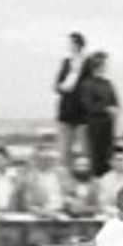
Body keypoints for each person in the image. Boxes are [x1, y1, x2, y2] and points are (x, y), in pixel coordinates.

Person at [79, 50, 119, 177]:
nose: (106, 67)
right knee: (96, 157)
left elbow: (115, 102)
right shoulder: (86, 84)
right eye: (104, 64)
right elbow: (88, 105)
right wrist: (106, 109)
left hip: (109, 124)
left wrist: (115, 109)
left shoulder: (108, 83)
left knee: (109, 156)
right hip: (95, 125)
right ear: (97, 66)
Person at [22, 145, 71, 246]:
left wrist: (70, 202)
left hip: (65, 220)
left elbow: (70, 195)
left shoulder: (62, 173)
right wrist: (51, 214)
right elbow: (30, 206)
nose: (47, 161)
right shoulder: (30, 179)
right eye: (42, 158)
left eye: (49, 158)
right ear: (36, 160)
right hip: (41, 224)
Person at [54, 32, 89, 168]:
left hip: (83, 115)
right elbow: (57, 86)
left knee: (85, 153)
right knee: (64, 153)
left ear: (78, 44)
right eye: (69, 43)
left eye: (71, 43)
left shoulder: (87, 63)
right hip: (65, 114)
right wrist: (64, 86)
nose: (69, 46)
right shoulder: (66, 62)